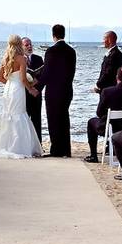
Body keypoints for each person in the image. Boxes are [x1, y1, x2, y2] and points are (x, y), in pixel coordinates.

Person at [0, 35, 43, 158]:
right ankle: (18, 147)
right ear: (19, 44)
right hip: (17, 90)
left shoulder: (6, 58)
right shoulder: (21, 59)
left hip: (8, 89)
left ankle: (4, 145)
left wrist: (10, 83)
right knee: (18, 116)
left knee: (8, 116)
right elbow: (23, 79)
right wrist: (30, 89)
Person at [34, 24, 77, 158]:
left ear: (53, 35)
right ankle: (66, 150)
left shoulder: (51, 51)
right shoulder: (71, 51)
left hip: (53, 91)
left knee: (53, 120)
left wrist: (37, 88)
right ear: (64, 34)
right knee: (64, 118)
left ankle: (56, 150)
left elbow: (47, 73)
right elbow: (72, 72)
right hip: (67, 90)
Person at [85, 67, 122, 163]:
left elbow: (99, 112)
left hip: (109, 127)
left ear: (117, 78)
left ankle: (93, 155)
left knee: (91, 122)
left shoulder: (107, 91)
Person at [22, 37, 44, 141]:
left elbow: (43, 75)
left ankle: (38, 144)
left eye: (30, 44)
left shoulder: (38, 59)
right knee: (24, 120)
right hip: (23, 94)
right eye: (26, 45)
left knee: (37, 120)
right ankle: (26, 143)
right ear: (21, 47)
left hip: (36, 94)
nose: (29, 46)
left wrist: (37, 83)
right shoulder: (19, 60)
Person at [94, 30, 122, 95]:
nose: (103, 41)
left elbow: (109, 72)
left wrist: (98, 84)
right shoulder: (111, 53)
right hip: (105, 88)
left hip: (109, 88)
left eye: (104, 39)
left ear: (109, 40)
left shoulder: (115, 54)